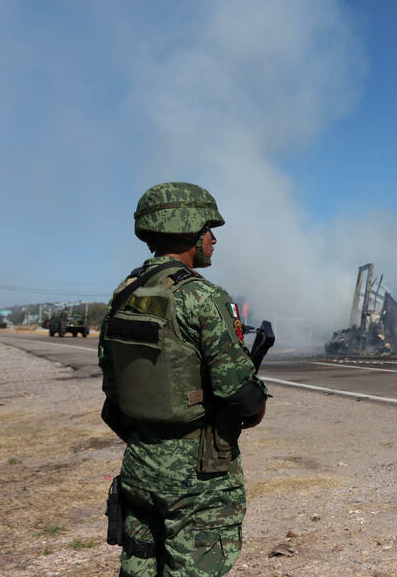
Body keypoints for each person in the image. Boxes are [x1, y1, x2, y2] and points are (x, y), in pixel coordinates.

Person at [98, 182, 268, 576]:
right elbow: (242, 398)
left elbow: (112, 390)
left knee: (140, 566)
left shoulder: (124, 293)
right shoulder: (203, 297)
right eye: (209, 229)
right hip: (198, 476)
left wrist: (149, 435)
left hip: (140, 464)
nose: (213, 239)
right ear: (189, 230)